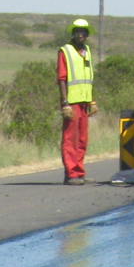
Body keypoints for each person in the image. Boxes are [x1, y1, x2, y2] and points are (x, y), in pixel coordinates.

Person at [57, 19, 98, 185]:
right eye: (77, 32)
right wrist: (65, 103)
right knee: (70, 139)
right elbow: (61, 78)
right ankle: (71, 174)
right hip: (72, 102)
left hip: (84, 102)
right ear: (73, 34)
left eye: (83, 32)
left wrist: (92, 100)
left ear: (87, 34)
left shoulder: (87, 50)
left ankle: (79, 172)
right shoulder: (65, 51)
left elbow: (88, 77)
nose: (81, 35)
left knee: (82, 139)